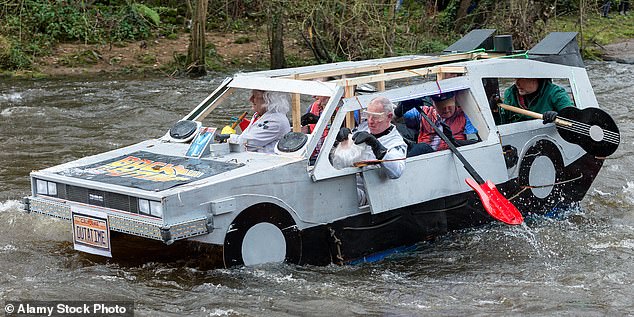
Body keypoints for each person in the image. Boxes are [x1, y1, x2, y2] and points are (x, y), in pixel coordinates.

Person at [336, 96, 407, 205]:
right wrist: (344, 137)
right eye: (368, 115)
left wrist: (376, 146)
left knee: (336, 193)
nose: (370, 121)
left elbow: (397, 171)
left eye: (375, 117)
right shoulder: (363, 128)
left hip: (370, 193)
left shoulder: (396, 143)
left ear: (389, 117)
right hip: (350, 181)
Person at [495, 78, 574, 125]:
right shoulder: (510, 94)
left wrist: (558, 115)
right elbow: (502, 124)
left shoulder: (556, 93)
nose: (516, 83)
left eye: (521, 78)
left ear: (536, 79)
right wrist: (495, 112)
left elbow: (572, 117)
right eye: (515, 78)